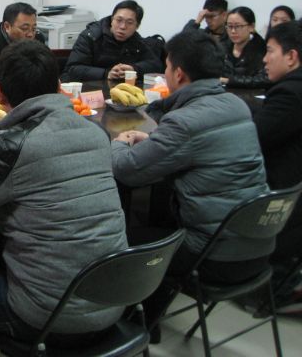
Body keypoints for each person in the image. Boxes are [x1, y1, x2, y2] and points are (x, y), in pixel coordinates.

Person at [0, 41, 127, 356]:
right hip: (117, 298)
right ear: (59, 86)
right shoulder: (96, 132)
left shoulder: (12, 145)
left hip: (50, 317)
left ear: (0, 93)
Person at [111, 30, 273, 331]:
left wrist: (119, 142)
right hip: (259, 243)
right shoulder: (236, 105)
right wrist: (155, 141)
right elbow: (198, 146)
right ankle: (150, 317)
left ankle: (134, 326)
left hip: (217, 255)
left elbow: (126, 170)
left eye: (167, 66)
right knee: (161, 216)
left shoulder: (184, 121)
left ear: (179, 73)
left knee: (122, 240)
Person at [253, 21, 302, 271]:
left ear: (291, 57)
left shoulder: (290, 94)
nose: (264, 59)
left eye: (270, 51)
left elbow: (252, 139)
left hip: (280, 197)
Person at [62, 0, 162, 82]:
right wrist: (106, 73)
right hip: (89, 90)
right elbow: (73, 69)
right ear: (112, 20)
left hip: (118, 90)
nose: (123, 27)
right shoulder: (91, 36)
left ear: (137, 26)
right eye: (119, 20)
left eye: (129, 22)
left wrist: (134, 69)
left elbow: (156, 65)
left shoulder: (136, 40)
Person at [221, 6, 268, 88]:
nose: (233, 31)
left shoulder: (261, 49)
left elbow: (263, 79)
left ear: (251, 27)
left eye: (238, 26)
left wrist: (229, 81)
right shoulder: (222, 47)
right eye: (230, 26)